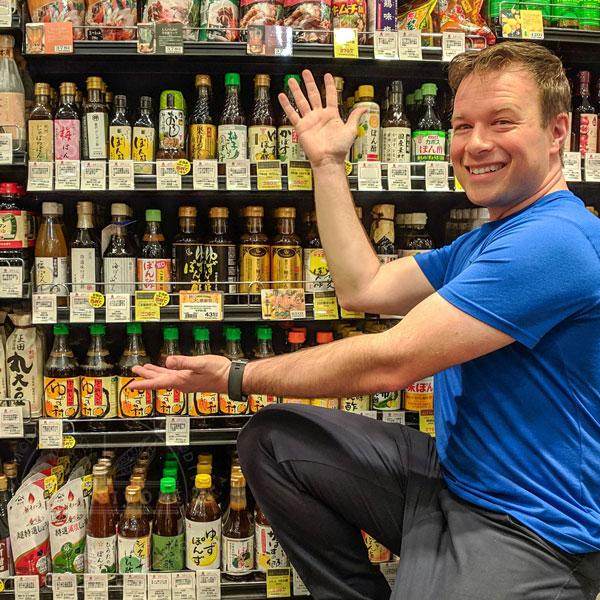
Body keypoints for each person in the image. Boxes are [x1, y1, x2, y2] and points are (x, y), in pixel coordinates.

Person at [130, 41, 600, 599]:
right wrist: (327, 163)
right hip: (458, 478)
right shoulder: (485, 241)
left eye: (502, 122)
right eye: (462, 125)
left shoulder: (556, 241)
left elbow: (390, 360)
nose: (475, 144)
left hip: (532, 525)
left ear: (557, 133)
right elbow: (363, 288)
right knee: (276, 439)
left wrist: (237, 376)